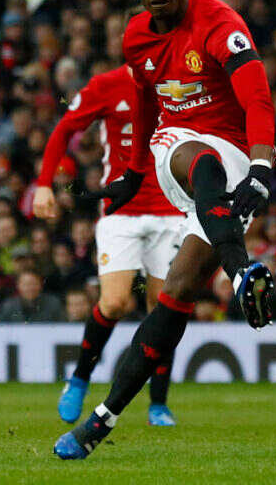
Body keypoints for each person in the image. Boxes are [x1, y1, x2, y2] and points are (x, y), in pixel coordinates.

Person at [54, 0, 276, 459]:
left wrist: (262, 166)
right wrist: (134, 173)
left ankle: (100, 422)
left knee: (176, 294)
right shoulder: (135, 36)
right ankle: (242, 273)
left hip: (238, 156)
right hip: (176, 145)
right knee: (202, 161)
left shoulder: (220, 24)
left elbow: (257, 97)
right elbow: (146, 100)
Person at [33, 65, 185, 427]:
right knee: (115, 302)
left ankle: (158, 404)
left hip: (171, 211)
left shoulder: (180, 81)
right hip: (121, 212)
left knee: (164, 309)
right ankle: (79, 378)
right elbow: (64, 129)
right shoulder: (107, 85)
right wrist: (44, 184)